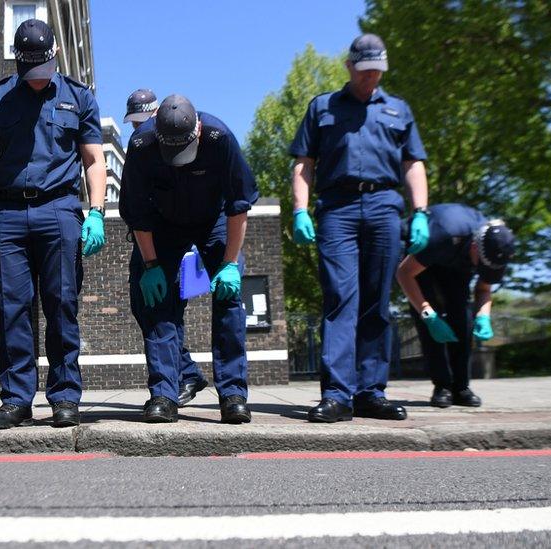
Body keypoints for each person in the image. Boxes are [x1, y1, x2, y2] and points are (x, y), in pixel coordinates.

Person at [0, 19, 107, 429]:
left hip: (60, 209)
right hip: (9, 213)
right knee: (11, 308)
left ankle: (64, 396)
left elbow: (94, 159)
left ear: (54, 56)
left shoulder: (78, 98)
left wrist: (96, 211)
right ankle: (16, 398)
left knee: (62, 304)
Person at [289, 33, 431, 423]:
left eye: (378, 72)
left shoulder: (398, 110)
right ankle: (337, 395)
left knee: (376, 300)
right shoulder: (323, 108)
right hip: (338, 208)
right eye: (366, 70)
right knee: (340, 298)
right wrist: (299, 210)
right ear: (350, 66)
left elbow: (413, 163)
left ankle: (371, 392)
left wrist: (421, 212)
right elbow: (304, 163)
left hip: (385, 207)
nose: (372, 78)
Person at [119, 94, 258, 424]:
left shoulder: (219, 137)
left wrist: (229, 263)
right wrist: (151, 266)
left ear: (196, 130)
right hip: (164, 224)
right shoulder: (142, 145)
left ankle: (233, 394)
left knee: (228, 299)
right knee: (155, 302)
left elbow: (240, 205)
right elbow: (137, 214)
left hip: (215, 219)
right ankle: (165, 395)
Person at [124, 88, 209, 406]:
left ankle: (180, 378)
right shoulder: (141, 147)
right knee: (147, 307)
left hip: (174, 240)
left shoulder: (175, 137)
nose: (139, 127)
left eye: (143, 119)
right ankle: (186, 371)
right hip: (148, 240)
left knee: (165, 310)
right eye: (135, 122)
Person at [395, 204, 516, 408]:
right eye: (482, 264)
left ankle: (461, 387)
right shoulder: (444, 234)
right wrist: (428, 315)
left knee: (462, 318)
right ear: (475, 247)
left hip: (456, 264)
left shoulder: (497, 251)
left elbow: (484, 289)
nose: (484, 270)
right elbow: (404, 274)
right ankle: (442, 386)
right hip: (420, 256)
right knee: (428, 321)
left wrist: (483, 316)